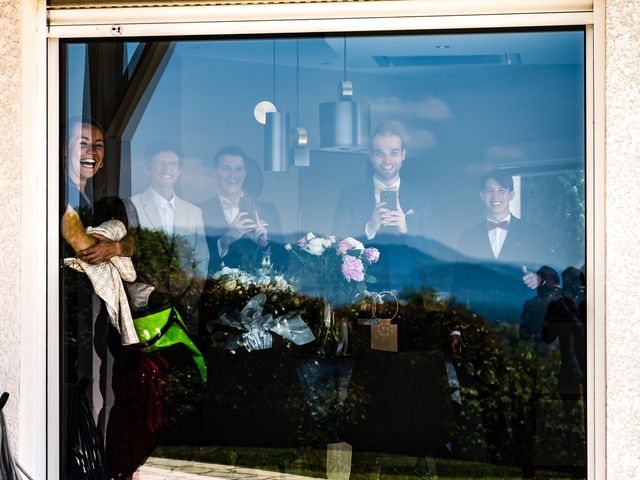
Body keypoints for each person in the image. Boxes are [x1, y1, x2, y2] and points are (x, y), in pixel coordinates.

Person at [61, 115, 163, 479]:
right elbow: (81, 244)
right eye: (82, 143)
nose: (92, 152)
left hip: (92, 322)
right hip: (63, 320)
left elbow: (143, 245)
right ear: (62, 149)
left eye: (98, 144)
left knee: (89, 400)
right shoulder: (58, 190)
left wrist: (118, 244)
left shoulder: (100, 203)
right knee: (68, 408)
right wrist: (110, 248)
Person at [332, 123, 432, 290]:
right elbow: (337, 248)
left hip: (408, 292)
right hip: (362, 294)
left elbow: (432, 253)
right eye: (380, 153)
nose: (387, 160)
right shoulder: (349, 196)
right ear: (370, 156)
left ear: (403, 155)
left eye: (394, 152)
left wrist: (406, 230)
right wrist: (369, 228)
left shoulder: (421, 200)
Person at [453, 170, 554, 323]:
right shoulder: (467, 238)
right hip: (481, 323)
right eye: (490, 191)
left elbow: (552, 272)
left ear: (511, 194)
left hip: (522, 322)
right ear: (482, 196)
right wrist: (455, 329)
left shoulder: (533, 233)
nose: (495, 197)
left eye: (502, 190)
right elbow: (457, 286)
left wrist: (539, 278)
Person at [129, 142, 209, 331]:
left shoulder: (193, 212)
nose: (167, 169)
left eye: (172, 164)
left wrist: (187, 304)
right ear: (148, 169)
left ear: (179, 170)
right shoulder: (132, 205)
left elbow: (201, 262)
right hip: (144, 312)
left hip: (186, 314)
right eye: (160, 164)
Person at [198, 145, 282, 276]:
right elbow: (194, 263)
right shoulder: (198, 211)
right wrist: (226, 240)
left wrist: (265, 246)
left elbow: (284, 263)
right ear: (215, 172)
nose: (233, 175)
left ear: (245, 173)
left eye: (239, 169)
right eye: (226, 168)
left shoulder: (268, 211)